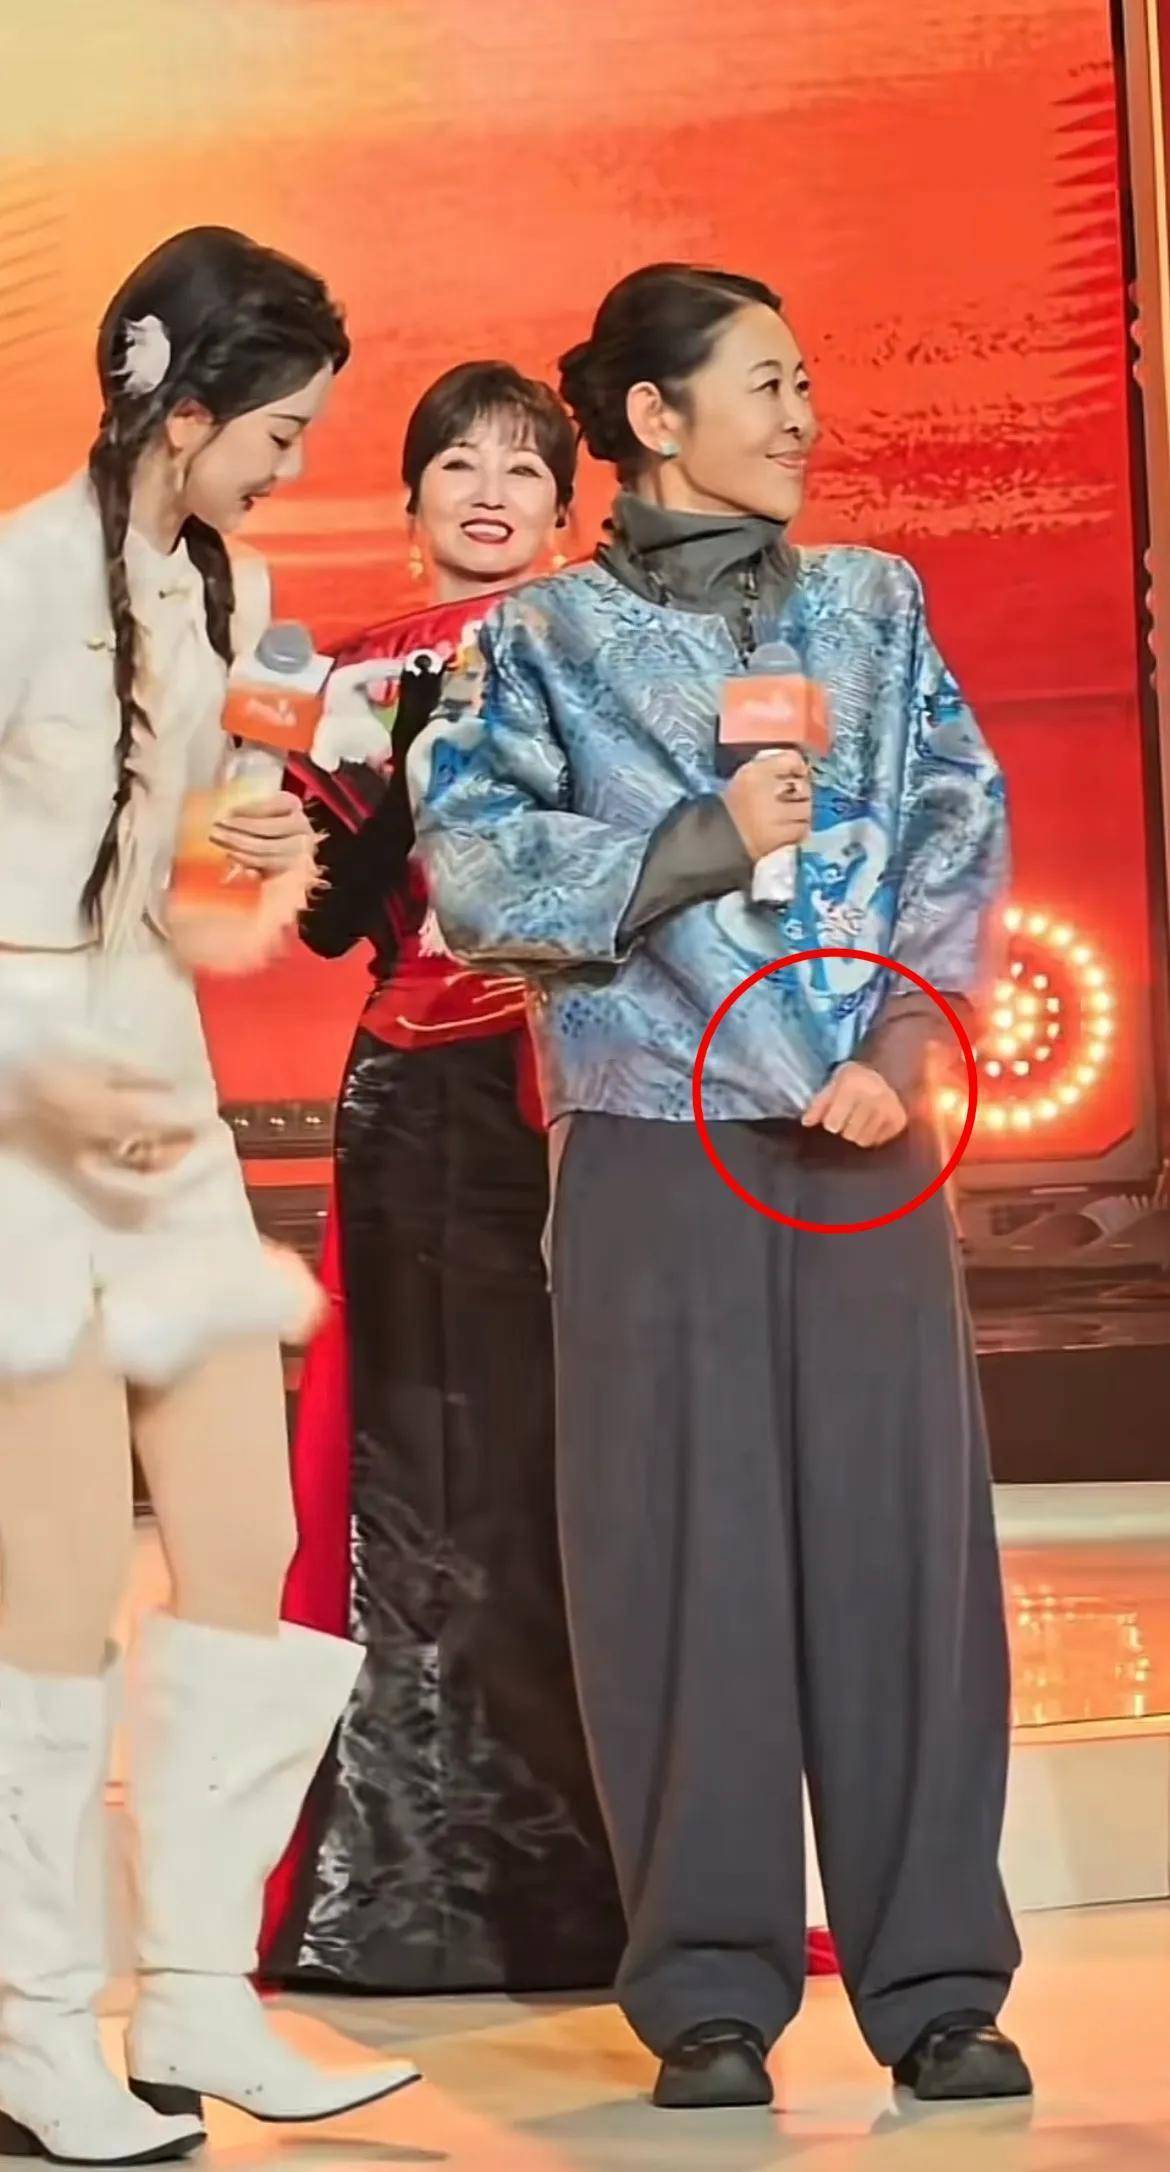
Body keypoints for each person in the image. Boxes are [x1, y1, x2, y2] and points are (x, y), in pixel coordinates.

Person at [410, 264, 1031, 2112]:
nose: (802, 417)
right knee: (677, 1561)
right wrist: (698, 838)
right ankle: (707, 1989)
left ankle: (937, 1983)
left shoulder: (873, 605)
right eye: (766, 383)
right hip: (649, 1141)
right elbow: (478, 869)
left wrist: (901, 1045)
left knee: (901, 1558)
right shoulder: (540, 641)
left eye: (805, 380)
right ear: (653, 415)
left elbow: (957, 822)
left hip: (861, 1138)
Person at [0, 226, 418, 2166]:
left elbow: (155, 851)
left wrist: (228, 843)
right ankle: (29, 2024)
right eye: (281, 430)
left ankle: (189, 1997)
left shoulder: (221, 580)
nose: (293, 466)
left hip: (151, 1080)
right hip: (19, 1101)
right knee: (58, 1573)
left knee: (245, 1535)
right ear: (184, 412)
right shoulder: (19, 574)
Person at [262, 364, 625, 1993]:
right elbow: (318, 922)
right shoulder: (342, 675)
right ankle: (403, 1884)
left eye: (523, 468)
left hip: (593, 1088)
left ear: (568, 505)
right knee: (412, 1478)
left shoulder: (617, 646)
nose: (489, 492)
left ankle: (606, 1872)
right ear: (410, 500)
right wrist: (358, 809)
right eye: (457, 465)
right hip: (415, 1092)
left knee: (575, 1463)